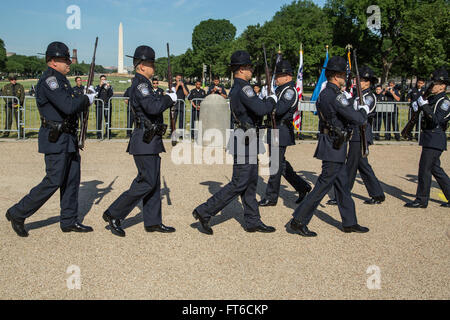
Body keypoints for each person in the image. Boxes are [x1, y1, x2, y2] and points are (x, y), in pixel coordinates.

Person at [5, 41, 96, 237]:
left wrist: (83, 95)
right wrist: (86, 99)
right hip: (56, 137)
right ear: (53, 61)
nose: (69, 63)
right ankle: (17, 212)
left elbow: (71, 100)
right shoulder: (50, 81)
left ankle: (69, 220)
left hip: (68, 137)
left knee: (72, 180)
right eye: (65, 60)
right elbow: (69, 106)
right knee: (53, 180)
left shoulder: (62, 80)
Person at [192, 50, 277, 235]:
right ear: (240, 70)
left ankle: (253, 220)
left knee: (251, 182)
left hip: (248, 137)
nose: (251, 70)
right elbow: (261, 109)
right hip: (245, 139)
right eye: (248, 67)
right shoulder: (244, 88)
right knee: (239, 182)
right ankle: (204, 211)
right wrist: (271, 100)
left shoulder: (239, 87)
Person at [288, 56, 370, 237]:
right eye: (343, 75)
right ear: (336, 76)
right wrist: (363, 110)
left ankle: (350, 222)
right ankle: (298, 220)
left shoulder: (327, 94)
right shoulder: (334, 95)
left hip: (334, 142)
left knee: (342, 186)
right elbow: (356, 118)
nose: (345, 78)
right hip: (334, 144)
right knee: (323, 186)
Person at [102, 45, 178, 237]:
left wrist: (164, 97)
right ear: (142, 66)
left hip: (150, 139)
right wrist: (169, 99)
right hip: (144, 139)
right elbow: (153, 108)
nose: (154, 68)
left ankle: (152, 221)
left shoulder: (144, 84)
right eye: (151, 64)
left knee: (152, 182)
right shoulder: (142, 85)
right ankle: (114, 213)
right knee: (146, 180)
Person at [259, 60, 311, 207]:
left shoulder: (289, 91)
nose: (276, 78)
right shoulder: (279, 90)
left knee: (275, 164)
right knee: (279, 163)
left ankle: (271, 196)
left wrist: (270, 101)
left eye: (279, 75)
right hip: (275, 129)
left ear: (288, 77)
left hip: (280, 130)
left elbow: (279, 109)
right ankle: (303, 187)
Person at [404, 68, 450, 208]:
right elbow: (421, 112)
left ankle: (421, 199)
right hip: (429, 137)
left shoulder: (444, 101)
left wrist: (424, 106)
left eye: (435, 83)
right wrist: (416, 106)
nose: (432, 86)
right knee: (435, 169)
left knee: (424, 169)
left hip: (435, 137)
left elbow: (436, 119)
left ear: (443, 86)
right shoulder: (431, 98)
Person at [345, 66, 385, 204]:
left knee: (350, 165)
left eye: (362, 80)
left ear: (368, 82)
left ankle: (343, 194)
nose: (359, 82)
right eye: (358, 79)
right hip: (355, 133)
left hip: (361, 134)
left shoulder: (370, 97)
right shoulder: (356, 95)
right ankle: (377, 194)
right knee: (362, 165)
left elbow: (362, 115)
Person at [95, 75, 114, 139]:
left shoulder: (109, 86)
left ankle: (108, 133)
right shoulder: (97, 86)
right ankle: (98, 134)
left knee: (108, 120)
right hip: (99, 105)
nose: (103, 81)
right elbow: (96, 94)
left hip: (107, 105)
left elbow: (111, 94)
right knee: (99, 120)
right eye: (102, 79)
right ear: (100, 80)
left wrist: (108, 87)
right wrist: (100, 86)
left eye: (104, 79)